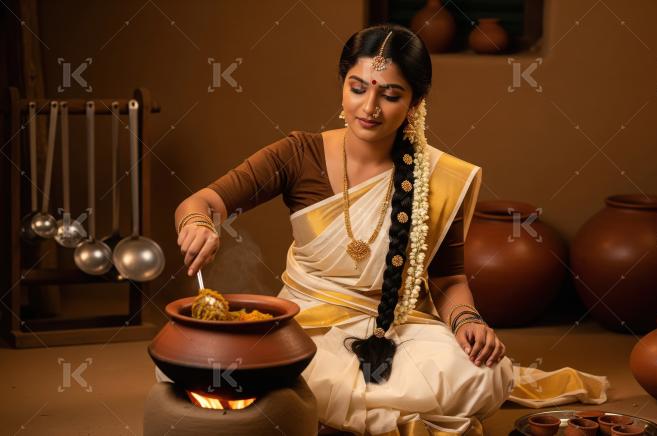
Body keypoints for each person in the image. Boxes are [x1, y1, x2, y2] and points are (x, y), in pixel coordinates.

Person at [166, 24, 608, 435]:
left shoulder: (437, 177)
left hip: (398, 326)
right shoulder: (299, 153)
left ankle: (331, 412)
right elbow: (202, 201)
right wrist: (198, 223)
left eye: (390, 95)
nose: (369, 107)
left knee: (484, 374)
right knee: (232, 363)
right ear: (342, 86)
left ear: (415, 102)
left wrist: (467, 321)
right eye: (357, 88)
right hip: (307, 326)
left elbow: (449, 279)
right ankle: (373, 411)